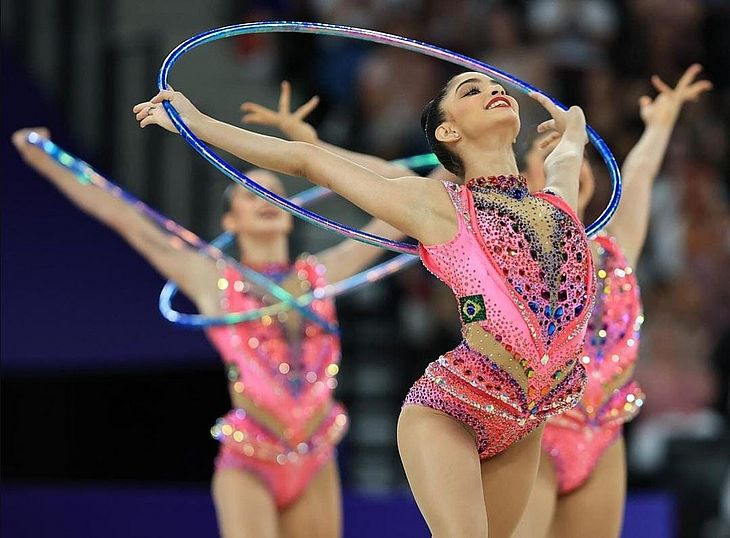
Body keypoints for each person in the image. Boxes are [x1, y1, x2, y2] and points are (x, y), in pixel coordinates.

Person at [134, 70, 595, 537]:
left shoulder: (557, 206)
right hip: (454, 408)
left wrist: (575, 127)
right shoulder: (437, 205)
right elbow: (308, 163)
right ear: (447, 131)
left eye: (496, 87)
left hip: (526, 417)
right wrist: (196, 123)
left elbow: (566, 159)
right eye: (470, 91)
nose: (495, 90)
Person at [11, 128, 401, 538]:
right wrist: (45, 158)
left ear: (291, 211)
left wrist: (443, 161)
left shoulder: (320, 276)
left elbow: (401, 209)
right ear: (230, 221)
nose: (266, 198)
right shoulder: (215, 282)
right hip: (251, 461)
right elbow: (126, 218)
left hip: (316, 455)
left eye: (274, 192)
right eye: (251, 193)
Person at [513, 64, 712, 538]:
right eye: (553, 152)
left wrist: (660, 125)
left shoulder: (612, 247)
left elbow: (638, 177)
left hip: (603, 433)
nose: (570, 159)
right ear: (522, 178)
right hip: (534, 431)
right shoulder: (513, 251)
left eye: (575, 151)